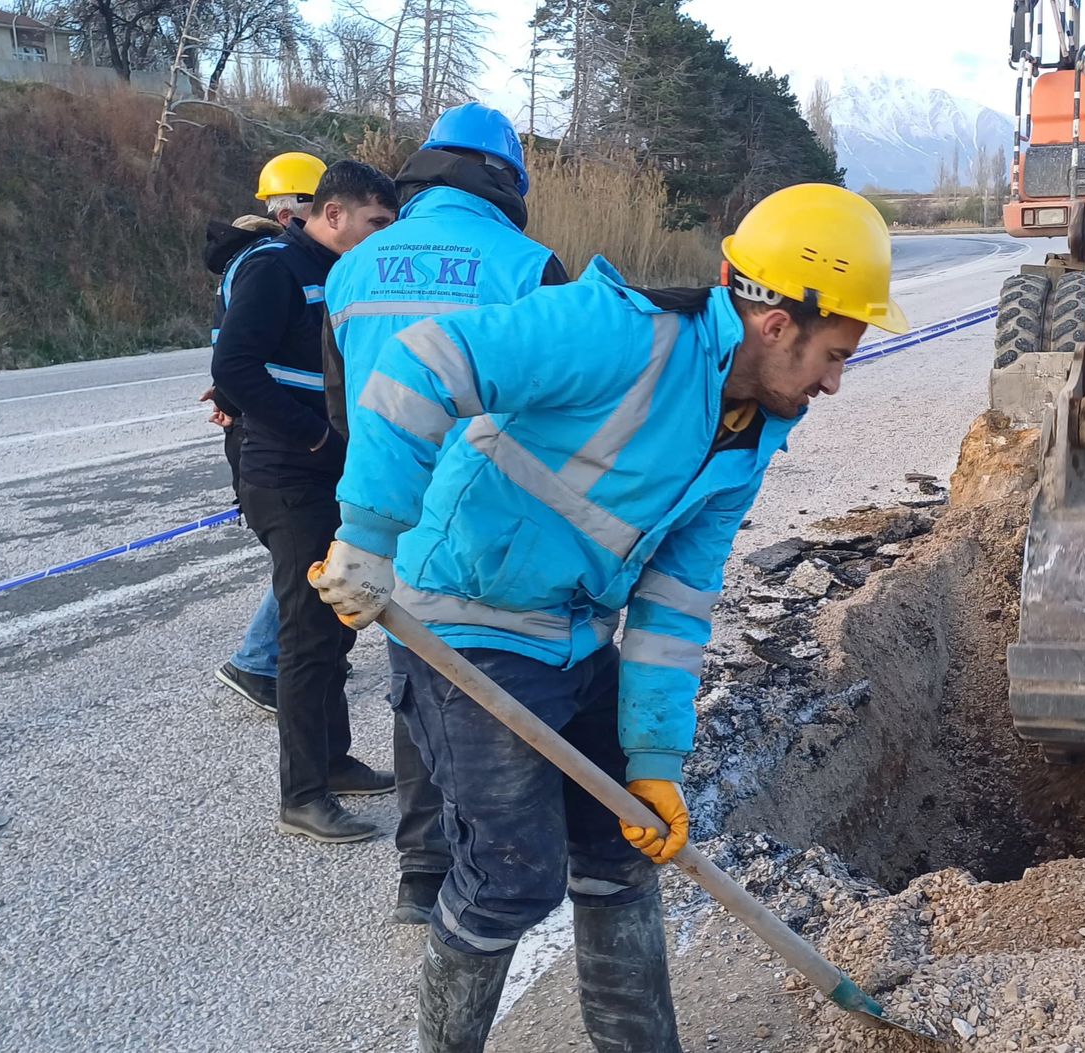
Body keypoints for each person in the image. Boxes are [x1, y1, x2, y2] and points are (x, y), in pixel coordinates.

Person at [309, 183, 906, 1050]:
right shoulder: (619, 332)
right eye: (835, 353)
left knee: (628, 845)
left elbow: (675, 600)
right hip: (463, 619)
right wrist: (368, 533)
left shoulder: (750, 433)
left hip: (573, 632)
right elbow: (422, 360)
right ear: (777, 323)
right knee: (512, 873)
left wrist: (657, 757)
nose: (836, 381)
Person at [318, 102, 570, 927]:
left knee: (414, 690)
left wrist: (372, 514)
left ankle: (421, 874)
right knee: (507, 694)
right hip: (494, 525)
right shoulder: (528, 266)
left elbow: (343, 409)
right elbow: (561, 417)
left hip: (389, 524)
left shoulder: (354, 265)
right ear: (505, 183)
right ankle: (499, 877)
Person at [211, 159, 399, 844]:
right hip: (287, 474)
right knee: (306, 634)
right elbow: (231, 367)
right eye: (375, 223)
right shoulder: (275, 267)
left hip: (328, 473)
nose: (384, 237)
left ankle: (333, 757)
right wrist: (318, 434)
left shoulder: (344, 274)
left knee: (336, 622)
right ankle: (302, 793)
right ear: (332, 214)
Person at [206, 151, 327, 714]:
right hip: (278, 432)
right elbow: (238, 355)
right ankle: (260, 661)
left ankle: (279, 656)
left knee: (305, 556)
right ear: (295, 211)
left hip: (266, 421)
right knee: (306, 557)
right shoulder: (270, 264)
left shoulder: (256, 259)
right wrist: (316, 433)